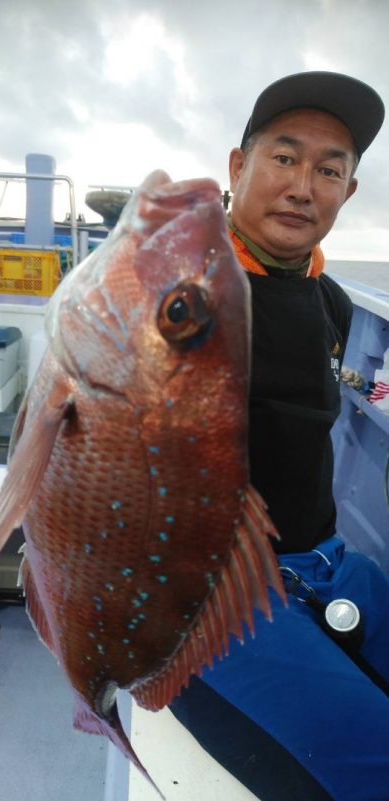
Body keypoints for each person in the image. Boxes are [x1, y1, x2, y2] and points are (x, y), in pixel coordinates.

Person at [170, 71, 389, 801]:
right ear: (239, 166)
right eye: (285, 157)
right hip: (218, 596)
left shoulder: (326, 296)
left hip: (328, 561)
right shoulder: (186, 296)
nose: (304, 185)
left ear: (348, 192)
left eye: (330, 170)